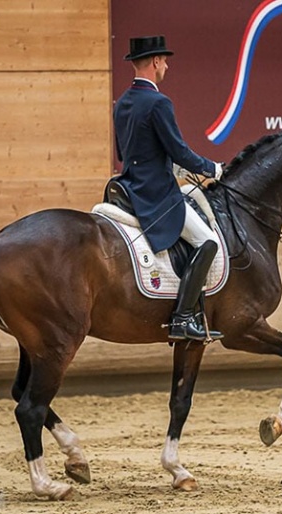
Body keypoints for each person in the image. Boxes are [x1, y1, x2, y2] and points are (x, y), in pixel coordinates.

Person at [112, 35, 223, 342]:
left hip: (128, 186)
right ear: (157, 62)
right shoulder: (159, 102)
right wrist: (211, 168)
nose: (167, 66)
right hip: (156, 194)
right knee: (208, 241)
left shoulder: (122, 103)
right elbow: (179, 151)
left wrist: (169, 165)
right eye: (165, 61)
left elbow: (125, 152)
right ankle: (183, 319)